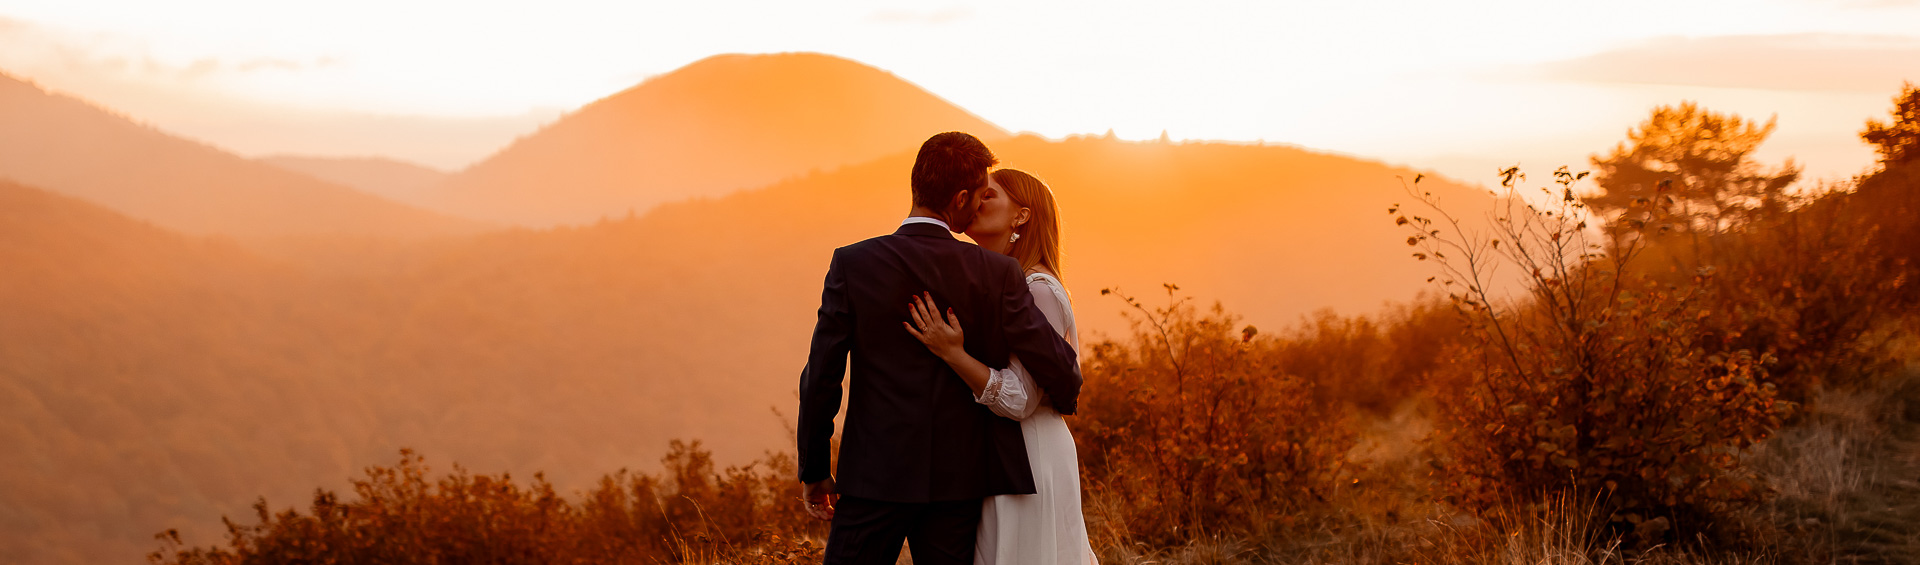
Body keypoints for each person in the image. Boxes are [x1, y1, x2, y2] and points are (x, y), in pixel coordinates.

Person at [795, 132, 1083, 565]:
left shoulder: (854, 263)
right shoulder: (996, 272)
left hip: (874, 476)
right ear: (962, 197)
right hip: (959, 484)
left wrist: (815, 471)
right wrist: (1064, 393)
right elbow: (1060, 368)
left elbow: (822, 375)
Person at [904, 168, 1098, 565]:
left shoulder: (1038, 290)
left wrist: (953, 352)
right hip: (1001, 457)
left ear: (1021, 216)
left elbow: (1021, 399)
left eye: (988, 195)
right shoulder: (1002, 284)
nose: (975, 201)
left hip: (1029, 456)